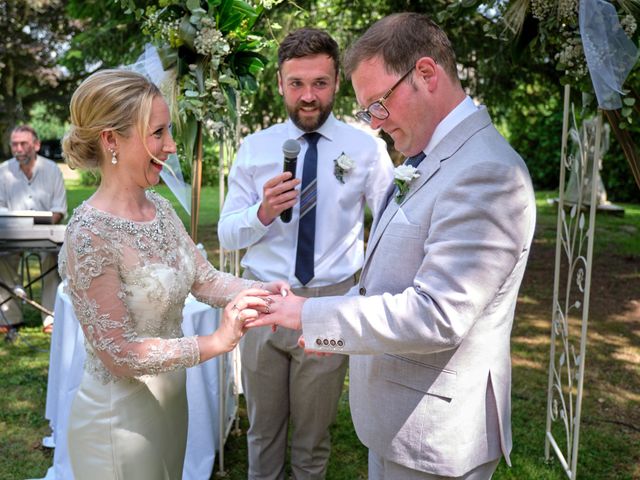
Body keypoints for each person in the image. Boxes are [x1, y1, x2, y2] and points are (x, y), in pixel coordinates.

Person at [249, 13, 537, 480]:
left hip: (434, 433)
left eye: (378, 105)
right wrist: (339, 331)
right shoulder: (430, 157)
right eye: (367, 112)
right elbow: (391, 276)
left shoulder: (486, 172)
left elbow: (437, 314)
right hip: (398, 419)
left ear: (426, 73)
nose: (376, 125)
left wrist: (309, 314)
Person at [59, 69, 286, 480]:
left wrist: (260, 288)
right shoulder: (88, 233)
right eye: (158, 132)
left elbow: (204, 279)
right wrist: (217, 342)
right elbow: (120, 352)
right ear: (112, 140)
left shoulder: (160, 210)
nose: (171, 144)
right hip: (119, 422)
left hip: (170, 403)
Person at [218, 28, 393, 480]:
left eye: (319, 83)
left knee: (313, 437)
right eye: (296, 83)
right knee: (263, 431)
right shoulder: (255, 149)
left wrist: (364, 295)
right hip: (264, 303)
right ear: (280, 84)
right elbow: (226, 234)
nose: (308, 96)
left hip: (328, 303)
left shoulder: (367, 149)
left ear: (337, 82)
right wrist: (260, 212)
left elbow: (394, 226)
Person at [0, 125, 67, 334]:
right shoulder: (3, 171)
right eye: (14, 144)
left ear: (36, 145)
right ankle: (9, 317)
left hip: (46, 234)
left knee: (51, 257)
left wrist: (39, 225)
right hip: (11, 234)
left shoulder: (52, 170)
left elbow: (59, 209)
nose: (18, 148)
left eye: (23, 144)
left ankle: (51, 317)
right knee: (2, 257)